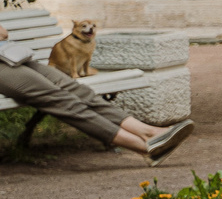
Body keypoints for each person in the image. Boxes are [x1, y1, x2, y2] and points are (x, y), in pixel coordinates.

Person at [0, 27, 191, 161]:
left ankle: (149, 131)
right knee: (59, 99)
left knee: (78, 91)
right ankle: (144, 147)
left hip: (9, 57)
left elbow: (3, 33)